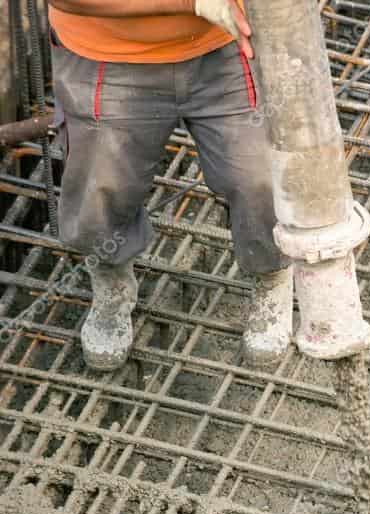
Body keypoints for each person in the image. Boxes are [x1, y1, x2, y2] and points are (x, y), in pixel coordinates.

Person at [48, 0, 293, 369]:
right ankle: (111, 279)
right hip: (108, 49)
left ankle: (272, 271)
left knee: (259, 175)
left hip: (225, 39)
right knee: (99, 186)